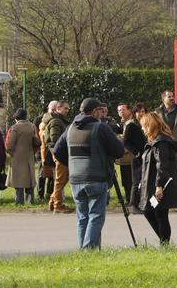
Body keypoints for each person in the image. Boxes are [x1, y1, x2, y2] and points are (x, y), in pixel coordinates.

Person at [53, 99, 126, 249]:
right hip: (96, 178)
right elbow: (118, 151)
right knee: (96, 216)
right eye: (100, 110)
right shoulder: (101, 128)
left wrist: (72, 164)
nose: (102, 113)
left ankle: (84, 250)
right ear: (94, 112)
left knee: (82, 217)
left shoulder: (71, 128)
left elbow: (57, 151)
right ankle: (89, 250)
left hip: (76, 179)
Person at [137, 112, 177, 244]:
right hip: (152, 183)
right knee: (149, 212)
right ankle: (164, 241)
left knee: (160, 214)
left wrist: (159, 186)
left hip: (159, 185)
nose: (143, 129)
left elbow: (162, 166)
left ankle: (165, 243)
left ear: (150, 126)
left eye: (144, 126)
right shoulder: (155, 142)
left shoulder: (161, 143)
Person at [158, 90, 177, 207]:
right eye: (169, 97)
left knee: (176, 176)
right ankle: (165, 200)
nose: (172, 98)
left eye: (172, 96)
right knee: (163, 174)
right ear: (163, 99)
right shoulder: (157, 112)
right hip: (163, 148)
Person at [42, 101, 71, 212]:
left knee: (63, 179)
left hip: (61, 153)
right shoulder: (55, 121)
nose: (67, 110)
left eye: (68, 109)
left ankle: (53, 201)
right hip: (59, 153)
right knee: (60, 179)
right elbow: (55, 139)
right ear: (58, 109)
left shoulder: (60, 121)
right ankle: (57, 205)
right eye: (65, 108)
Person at [6, 109, 40, 205]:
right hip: (29, 155)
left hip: (17, 156)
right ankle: (30, 201)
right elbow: (37, 142)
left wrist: (10, 153)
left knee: (18, 180)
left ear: (16, 118)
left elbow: (10, 145)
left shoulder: (15, 128)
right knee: (29, 179)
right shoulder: (33, 126)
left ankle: (19, 201)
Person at [121, 104, 149, 212]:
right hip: (137, 158)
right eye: (138, 111)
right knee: (136, 181)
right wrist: (136, 152)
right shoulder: (131, 125)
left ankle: (143, 203)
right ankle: (133, 204)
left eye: (143, 111)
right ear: (134, 113)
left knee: (145, 181)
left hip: (147, 156)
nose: (141, 113)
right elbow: (125, 142)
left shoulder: (148, 124)